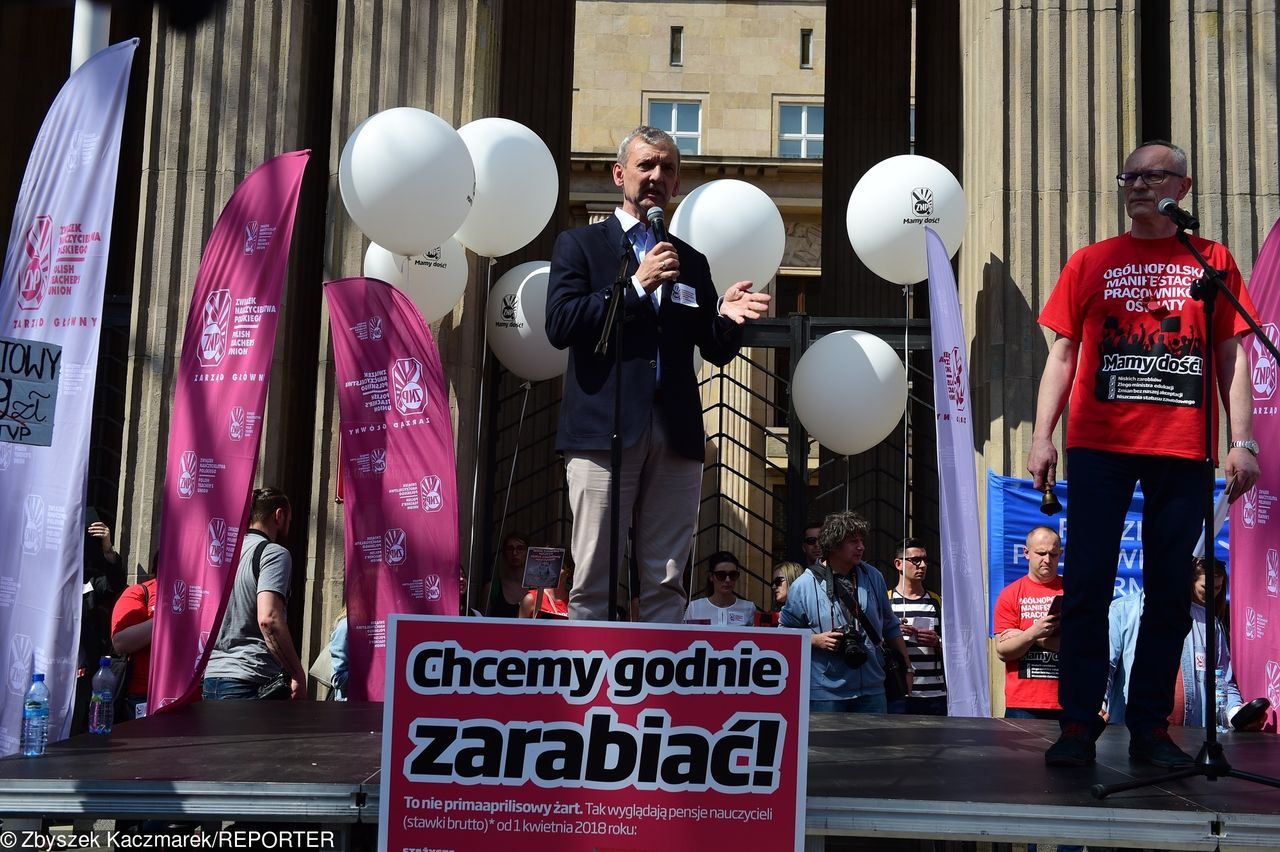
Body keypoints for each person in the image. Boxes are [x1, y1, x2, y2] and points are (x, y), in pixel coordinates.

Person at [1028, 140, 1260, 768]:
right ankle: (1077, 723)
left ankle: (1152, 728)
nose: (1134, 185)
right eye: (1127, 175)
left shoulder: (1211, 263)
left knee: (1167, 592)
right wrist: (1042, 434)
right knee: (1086, 586)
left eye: (1149, 176)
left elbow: (1231, 357)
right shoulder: (1091, 262)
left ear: (1181, 189)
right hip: (1100, 445)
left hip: (1181, 449)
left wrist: (1241, 442)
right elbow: (1063, 356)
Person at [545, 125, 771, 623]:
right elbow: (560, 325)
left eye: (667, 168)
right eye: (646, 165)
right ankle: (591, 692)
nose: (656, 176)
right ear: (619, 174)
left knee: (667, 577)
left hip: (676, 435)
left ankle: (659, 693)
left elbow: (713, 350)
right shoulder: (581, 246)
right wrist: (634, 286)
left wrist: (728, 318)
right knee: (595, 576)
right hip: (603, 431)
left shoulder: (690, 261)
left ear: (677, 185)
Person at [1107, 557, 1265, 731]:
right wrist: (1097, 703)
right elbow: (1105, 666)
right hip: (1129, 734)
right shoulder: (1121, 611)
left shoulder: (1208, 623)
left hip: (1191, 737)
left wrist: (1236, 712)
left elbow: (1222, 680)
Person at [780, 511, 910, 713]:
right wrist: (814, 640)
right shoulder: (803, 585)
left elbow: (890, 625)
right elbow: (784, 635)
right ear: (833, 545)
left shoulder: (873, 576)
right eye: (853, 541)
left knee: (875, 745)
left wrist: (907, 669)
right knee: (828, 746)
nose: (861, 547)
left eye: (861, 540)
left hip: (872, 690)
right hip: (825, 693)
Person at [202, 487, 306, 701]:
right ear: (279, 515)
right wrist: (297, 674)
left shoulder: (222, 555)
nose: (289, 525)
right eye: (289, 519)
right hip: (250, 680)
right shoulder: (274, 553)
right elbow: (269, 619)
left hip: (211, 677)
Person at [994, 527, 1064, 719]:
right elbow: (1002, 651)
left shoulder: (1071, 592)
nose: (1047, 560)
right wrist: (1033, 632)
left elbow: (1080, 646)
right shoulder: (1011, 594)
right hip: (1023, 702)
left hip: (1066, 699)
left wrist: (1029, 636)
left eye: (1053, 554)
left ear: (1061, 554)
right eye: (1041, 553)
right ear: (1026, 553)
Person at [72, 519, 127, 734]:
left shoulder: (89, 582)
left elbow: (116, 583)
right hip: (45, 663)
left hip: (82, 668)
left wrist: (108, 548)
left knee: (78, 726)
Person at [888, 538, 946, 715]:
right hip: (898, 692)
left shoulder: (937, 602)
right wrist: (893, 637)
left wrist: (938, 641)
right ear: (898, 564)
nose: (922, 565)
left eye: (925, 560)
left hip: (935, 693)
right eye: (915, 560)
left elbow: (957, 646)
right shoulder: (887, 601)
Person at [110, 552, 159, 721]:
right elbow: (120, 642)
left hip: (189, 694)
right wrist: (166, 618)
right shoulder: (140, 592)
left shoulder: (197, 595)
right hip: (143, 696)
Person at [683, 552, 757, 627]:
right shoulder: (695, 607)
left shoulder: (748, 608)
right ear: (711, 576)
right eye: (721, 575)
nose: (727, 580)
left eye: (733, 575)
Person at [483, 532, 529, 618]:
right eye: (510, 548)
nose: (515, 553)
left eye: (520, 548)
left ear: (528, 553)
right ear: (504, 553)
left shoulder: (537, 588)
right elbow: (483, 623)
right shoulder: (492, 588)